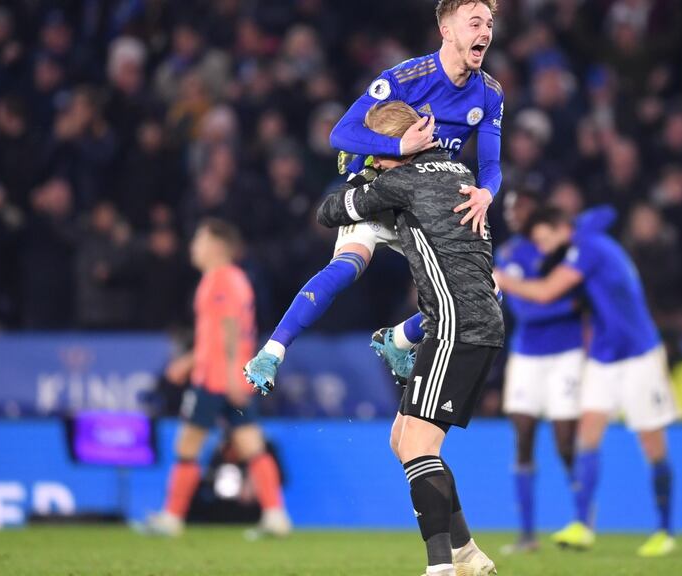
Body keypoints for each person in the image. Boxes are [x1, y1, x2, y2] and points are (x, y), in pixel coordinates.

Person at [257, 100, 501, 576]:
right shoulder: (456, 169)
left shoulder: (399, 181)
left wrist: (361, 183)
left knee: (417, 447)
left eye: (373, 152)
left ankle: (441, 569)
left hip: (456, 326)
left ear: (387, 150)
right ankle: (468, 554)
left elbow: (329, 211)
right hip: (464, 318)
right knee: (402, 438)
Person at [243, 0, 504, 387]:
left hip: (427, 198)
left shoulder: (489, 93)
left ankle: (398, 340)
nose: (485, 32)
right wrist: (399, 147)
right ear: (446, 30)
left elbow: (492, 166)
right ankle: (271, 353)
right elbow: (340, 134)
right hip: (376, 186)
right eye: (474, 23)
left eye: (489, 23)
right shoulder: (407, 77)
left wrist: (486, 193)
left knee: (488, 291)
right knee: (347, 267)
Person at [495, 206, 680, 558]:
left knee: (652, 444)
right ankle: (581, 524)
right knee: (587, 436)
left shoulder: (589, 246)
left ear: (559, 227)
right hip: (603, 355)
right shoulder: (584, 240)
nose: (544, 249)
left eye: (544, 239)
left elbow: (548, 291)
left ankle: (665, 530)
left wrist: (502, 279)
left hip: (638, 353)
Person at [140, 219, 290, 539]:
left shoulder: (222, 278)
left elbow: (231, 328)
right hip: (224, 375)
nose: (194, 246)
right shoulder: (229, 278)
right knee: (251, 444)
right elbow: (216, 334)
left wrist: (234, 373)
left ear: (216, 246)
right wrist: (189, 360)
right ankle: (276, 516)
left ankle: (172, 518)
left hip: (215, 381)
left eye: (199, 239)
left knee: (188, 444)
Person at [496, 189, 583, 554]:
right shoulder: (508, 254)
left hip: (567, 352)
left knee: (565, 440)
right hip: (527, 354)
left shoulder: (564, 247)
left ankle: (582, 522)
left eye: (521, 206)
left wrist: (546, 296)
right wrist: (562, 301)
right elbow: (526, 311)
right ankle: (527, 534)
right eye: (508, 208)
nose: (514, 214)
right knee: (523, 436)